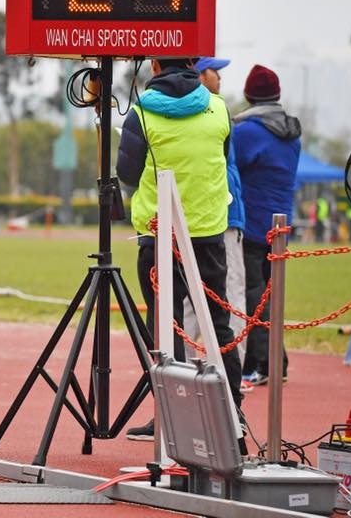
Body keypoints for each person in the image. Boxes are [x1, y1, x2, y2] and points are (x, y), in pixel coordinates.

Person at [116, 57, 243, 441]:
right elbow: (222, 158)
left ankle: (171, 420)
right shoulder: (218, 107)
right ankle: (232, 413)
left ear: (154, 66)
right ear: (192, 64)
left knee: (165, 329)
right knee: (218, 324)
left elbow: (126, 175)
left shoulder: (141, 112)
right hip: (208, 232)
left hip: (159, 235)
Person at [182, 57, 250, 387]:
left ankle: (190, 373)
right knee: (228, 297)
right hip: (218, 217)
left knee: (195, 300)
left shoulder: (214, 110)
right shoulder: (213, 111)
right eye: (214, 71)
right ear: (198, 74)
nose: (219, 77)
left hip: (203, 215)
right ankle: (222, 377)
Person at [233, 65, 301, 387]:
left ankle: (261, 363)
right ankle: (274, 361)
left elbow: (228, 165)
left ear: (249, 95)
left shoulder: (247, 132)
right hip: (280, 225)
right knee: (271, 297)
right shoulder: (291, 132)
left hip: (251, 224)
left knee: (253, 295)